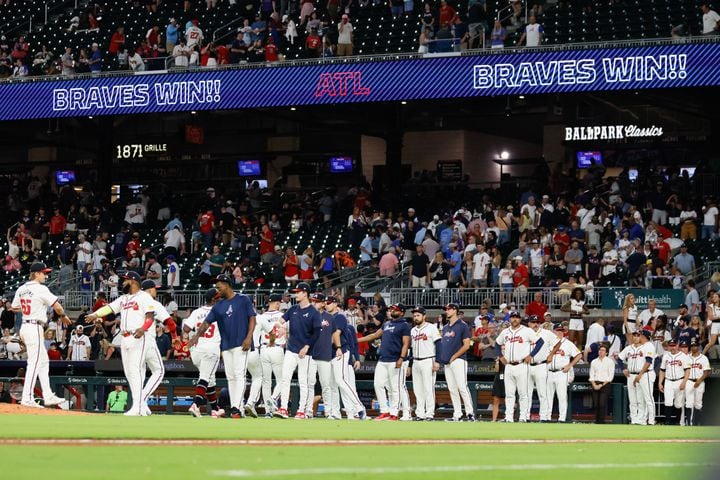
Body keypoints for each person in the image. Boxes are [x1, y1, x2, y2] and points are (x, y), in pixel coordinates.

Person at [86, 271, 156, 416]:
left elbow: (150, 317)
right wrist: (95, 314)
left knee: (135, 370)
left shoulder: (144, 297)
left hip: (137, 336)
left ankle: (136, 406)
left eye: (126, 280)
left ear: (134, 281)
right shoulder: (124, 298)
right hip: (125, 338)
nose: (123, 282)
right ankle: (140, 406)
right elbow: (109, 308)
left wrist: (143, 329)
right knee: (129, 373)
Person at [187, 274, 256, 419]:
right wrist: (196, 336)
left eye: (219, 285)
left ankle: (237, 408)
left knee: (239, 374)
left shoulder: (243, 299)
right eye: (216, 285)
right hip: (226, 345)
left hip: (241, 343)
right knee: (231, 377)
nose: (217, 288)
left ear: (227, 284)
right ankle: (236, 407)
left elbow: (252, 318)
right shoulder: (218, 305)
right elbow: (206, 323)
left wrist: (249, 337)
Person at [11, 262, 71, 408]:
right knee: (35, 363)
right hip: (34, 327)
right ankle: (27, 398)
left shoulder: (21, 288)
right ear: (36, 273)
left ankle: (48, 395)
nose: (46, 275)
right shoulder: (40, 288)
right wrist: (63, 316)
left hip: (26, 326)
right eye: (44, 273)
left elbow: (13, 307)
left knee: (43, 362)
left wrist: (30, 308)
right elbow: (57, 306)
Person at [274, 282, 322, 419]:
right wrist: (282, 327)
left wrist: (307, 346)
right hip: (291, 349)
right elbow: (279, 321)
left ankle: (301, 410)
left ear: (305, 293)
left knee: (303, 382)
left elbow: (316, 333)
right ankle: (283, 408)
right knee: (285, 379)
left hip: (305, 352)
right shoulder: (293, 309)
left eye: (298, 292)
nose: (296, 294)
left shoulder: (313, 312)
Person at [357, 303, 411, 421]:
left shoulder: (404, 325)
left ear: (402, 312)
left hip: (395, 359)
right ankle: (384, 411)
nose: (392, 311)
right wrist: (357, 340)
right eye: (391, 309)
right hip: (382, 359)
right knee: (378, 385)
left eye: (395, 310)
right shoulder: (387, 323)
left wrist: (401, 358)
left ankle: (394, 413)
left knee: (395, 388)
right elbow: (375, 335)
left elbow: (406, 343)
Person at [495, 311, 543, 422]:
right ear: (510, 319)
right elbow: (497, 344)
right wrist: (500, 356)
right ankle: (509, 417)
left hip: (522, 365)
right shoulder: (505, 332)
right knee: (509, 394)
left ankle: (523, 417)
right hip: (509, 366)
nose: (514, 319)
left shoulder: (526, 331)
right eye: (513, 317)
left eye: (517, 317)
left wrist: (531, 355)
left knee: (523, 394)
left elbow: (540, 342)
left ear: (520, 319)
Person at [183, 288, 224, 417]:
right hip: (211, 349)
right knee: (205, 378)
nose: (220, 298)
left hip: (197, 350)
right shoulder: (220, 312)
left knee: (210, 379)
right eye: (217, 296)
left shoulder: (197, 312)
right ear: (213, 299)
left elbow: (185, 328)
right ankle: (196, 404)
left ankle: (215, 409)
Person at [328, 295, 367, 420]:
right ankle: (335, 412)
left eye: (329, 303)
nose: (327, 304)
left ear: (335, 304)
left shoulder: (339, 316)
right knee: (332, 384)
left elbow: (337, 334)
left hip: (341, 351)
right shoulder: (327, 318)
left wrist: (338, 347)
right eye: (326, 302)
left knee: (341, 380)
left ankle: (359, 407)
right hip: (330, 354)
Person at [137, 280, 170, 416]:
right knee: (159, 371)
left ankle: (139, 404)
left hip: (133, 341)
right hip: (148, 340)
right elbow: (169, 321)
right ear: (149, 290)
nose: (156, 291)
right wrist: (175, 335)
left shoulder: (134, 302)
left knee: (140, 373)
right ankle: (141, 399)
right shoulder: (154, 304)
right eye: (154, 289)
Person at [438, 302, 475, 422]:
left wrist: (454, 357)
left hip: (459, 360)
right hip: (447, 362)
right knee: (452, 389)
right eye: (446, 309)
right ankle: (457, 414)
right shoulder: (445, 327)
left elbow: (466, 345)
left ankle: (470, 413)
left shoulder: (462, 325)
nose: (446, 311)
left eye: (448, 309)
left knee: (462, 387)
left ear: (455, 310)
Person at [308, 292, 341, 419]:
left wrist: (338, 347)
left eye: (316, 301)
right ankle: (309, 410)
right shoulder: (309, 316)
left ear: (322, 303)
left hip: (325, 354)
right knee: (310, 383)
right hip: (310, 354)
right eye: (313, 301)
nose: (314, 303)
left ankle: (329, 411)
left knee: (326, 384)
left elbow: (335, 334)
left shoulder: (329, 317)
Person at [256, 293, 286, 417]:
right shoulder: (283, 316)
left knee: (266, 381)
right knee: (282, 380)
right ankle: (273, 399)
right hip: (277, 348)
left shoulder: (261, 316)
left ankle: (268, 411)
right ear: (278, 303)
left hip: (264, 348)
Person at [619, 328, 656, 425]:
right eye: (634, 335)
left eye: (638, 335)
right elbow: (619, 358)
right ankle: (634, 419)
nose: (636, 337)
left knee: (643, 399)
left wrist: (640, 375)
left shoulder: (647, 347)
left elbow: (649, 361)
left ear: (643, 337)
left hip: (643, 374)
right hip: (631, 375)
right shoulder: (629, 348)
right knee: (632, 399)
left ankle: (646, 420)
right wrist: (623, 368)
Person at [409, 305, 440, 421]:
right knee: (418, 389)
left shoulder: (431, 328)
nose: (416, 317)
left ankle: (430, 413)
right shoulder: (413, 330)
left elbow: (439, 344)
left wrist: (437, 361)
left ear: (424, 316)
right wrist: (410, 364)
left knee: (428, 388)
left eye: (418, 315)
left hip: (428, 359)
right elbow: (411, 349)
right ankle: (420, 413)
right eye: (414, 315)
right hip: (416, 361)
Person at [524, 315, 557, 422]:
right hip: (527, 365)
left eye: (537, 322)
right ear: (529, 323)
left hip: (541, 365)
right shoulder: (524, 333)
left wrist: (551, 354)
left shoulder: (546, 333)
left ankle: (543, 417)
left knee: (543, 393)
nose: (536, 324)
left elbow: (558, 343)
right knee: (526, 393)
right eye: (533, 322)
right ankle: (525, 416)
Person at [546, 323, 582, 422]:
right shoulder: (548, 343)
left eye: (561, 330)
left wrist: (570, 365)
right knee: (548, 397)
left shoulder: (568, 343)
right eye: (557, 330)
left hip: (561, 372)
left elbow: (579, 355)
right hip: (549, 372)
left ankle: (562, 418)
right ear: (553, 332)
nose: (559, 332)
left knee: (562, 396)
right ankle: (547, 417)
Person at [658, 339, 690, 425]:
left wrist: (684, 382)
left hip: (679, 380)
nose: (672, 347)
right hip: (668, 381)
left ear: (677, 345)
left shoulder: (683, 356)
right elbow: (662, 370)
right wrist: (660, 382)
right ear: (668, 346)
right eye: (671, 345)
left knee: (678, 404)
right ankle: (667, 422)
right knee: (668, 402)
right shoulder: (666, 356)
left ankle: (677, 422)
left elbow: (687, 370)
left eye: (674, 345)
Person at [685, 339, 710, 425]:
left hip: (699, 381)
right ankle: (689, 423)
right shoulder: (687, 357)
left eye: (695, 345)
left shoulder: (703, 358)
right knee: (688, 403)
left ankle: (697, 423)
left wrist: (699, 381)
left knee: (698, 404)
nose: (693, 347)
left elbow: (706, 372)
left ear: (698, 347)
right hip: (689, 381)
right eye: (692, 346)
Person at [588, 343, 614, 424]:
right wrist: (594, 385)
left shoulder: (610, 362)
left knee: (602, 404)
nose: (601, 352)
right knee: (596, 404)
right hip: (595, 383)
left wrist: (601, 385)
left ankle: (601, 421)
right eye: (600, 350)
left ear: (606, 352)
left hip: (605, 384)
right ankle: (596, 421)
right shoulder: (594, 362)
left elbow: (610, 377)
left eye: (603, 350)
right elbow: (591, 375)